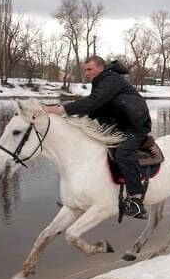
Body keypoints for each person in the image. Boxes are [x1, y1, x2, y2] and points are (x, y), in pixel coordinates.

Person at [44, 56, 151, 219]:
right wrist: (70, 121)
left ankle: (136, 200)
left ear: (100, 68)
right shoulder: (101, 83)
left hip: (134, 125)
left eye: (89, 69)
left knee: (123, 153)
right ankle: (87, 196)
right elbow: (93, 110)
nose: (86, 73)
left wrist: (61, 109)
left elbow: (92, 103)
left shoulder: (111, 80)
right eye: (85, 70)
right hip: (118, 125)